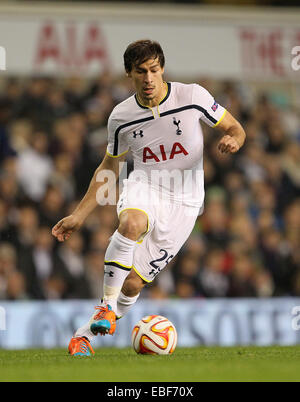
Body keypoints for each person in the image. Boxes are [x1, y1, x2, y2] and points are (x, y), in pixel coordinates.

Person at [52, 39, 246, 356]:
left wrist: (234, 139)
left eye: (154, 70)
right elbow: (110, 166)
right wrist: (80, 214)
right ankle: (106, 307)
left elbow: (236, 127)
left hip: (185, 203)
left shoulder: (192, 96)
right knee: (131, 222)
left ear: (162, 69)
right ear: (129, 74)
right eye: (141, 71)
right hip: (146, 185)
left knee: (132, 285)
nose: (149, 78)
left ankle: (82, 336)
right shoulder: (121, 116)